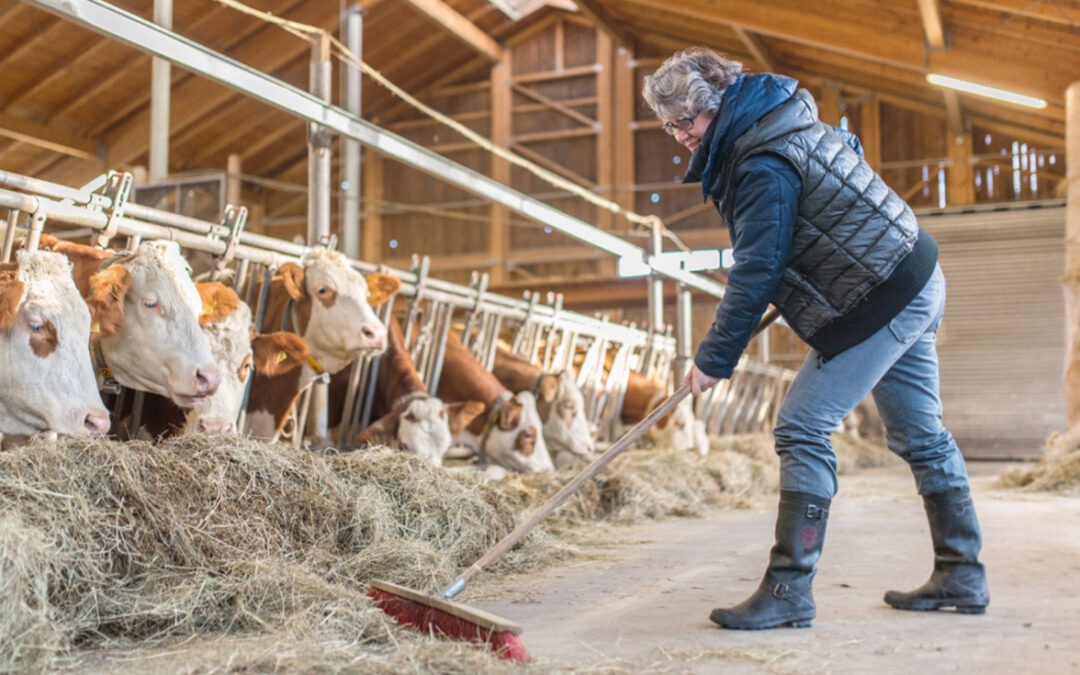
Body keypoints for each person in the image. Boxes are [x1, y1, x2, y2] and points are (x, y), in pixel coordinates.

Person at [642, 47, 989, 630]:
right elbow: (834, 182)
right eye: (670, 125)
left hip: (881, 295)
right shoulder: (783, 117)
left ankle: (788, 590)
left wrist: (713, 359)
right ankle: (962, 573)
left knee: (802, 425)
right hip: (912, 274)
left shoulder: (759, 160)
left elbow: (755, 271)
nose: (679, 135)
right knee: (922, 437)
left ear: (716, 108)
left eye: (686, 122)